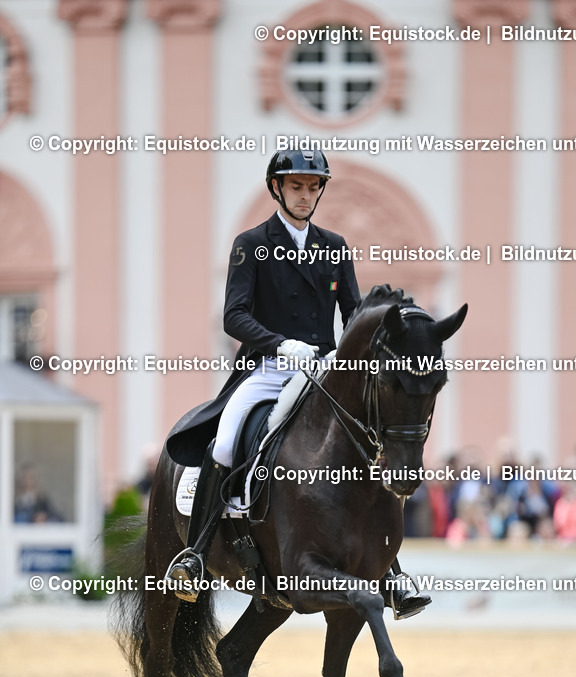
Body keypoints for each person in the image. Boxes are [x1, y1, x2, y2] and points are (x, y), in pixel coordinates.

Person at [165, 149, 430, 618]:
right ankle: (196, 554)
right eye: (296, 187)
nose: (305, 196)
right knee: (225, 440)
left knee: (368, 442)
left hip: (322, 371)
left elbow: (353, 315)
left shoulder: (335, 246)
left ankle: (390, 570)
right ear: (277, 188)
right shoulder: (251, 243)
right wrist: (280, 344)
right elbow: (233, 316)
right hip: (267, 369)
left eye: (312, 187)